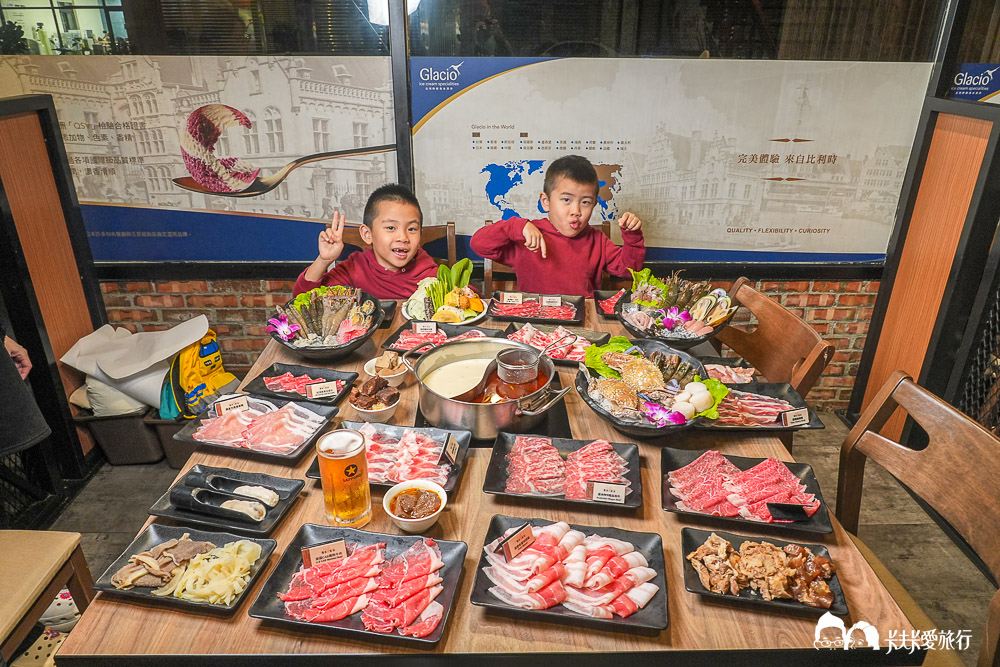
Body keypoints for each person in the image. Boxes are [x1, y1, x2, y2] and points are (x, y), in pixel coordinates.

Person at [470, 155, 646, 297]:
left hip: (583, 322)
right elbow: (479, 245)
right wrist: (516, 226)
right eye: (566, 200)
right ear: (546, 202)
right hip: (534, 321)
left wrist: (632, 237)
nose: (575, 211)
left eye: (585, 202)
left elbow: (629, 271)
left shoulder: (597, 240)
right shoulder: (528, 235)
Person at [293, 184, 439, 299]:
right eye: (391, 227)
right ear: (367, 234)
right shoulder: (355, 268)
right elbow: (302, 298)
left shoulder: (430, 274)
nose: (403, 237)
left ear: (420, 234)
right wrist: (323, 260)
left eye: (412, 229)